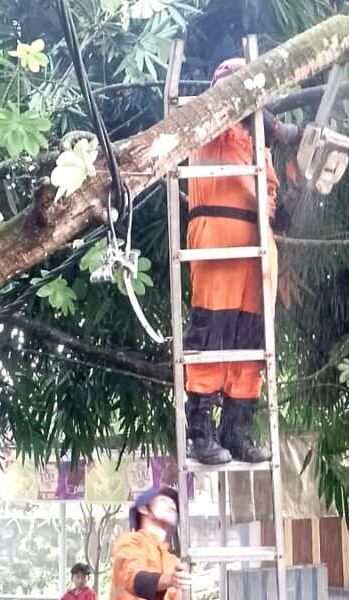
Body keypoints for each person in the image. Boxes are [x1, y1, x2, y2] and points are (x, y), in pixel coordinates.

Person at [183, 57, 299, 465]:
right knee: (212, 333)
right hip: (218, 240)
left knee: (249, 343)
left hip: (258, 247)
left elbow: (273, 199)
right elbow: (223, 105)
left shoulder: (258, 143)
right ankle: (199, 432)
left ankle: (236, 432)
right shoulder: (208, 126)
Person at [110, 487, 190, 600]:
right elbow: (133, 578)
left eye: (174, 503)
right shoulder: (131, 542)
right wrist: (170, 580)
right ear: (143, 508)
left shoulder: (173, 561)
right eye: (163, 500)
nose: (172, 504)